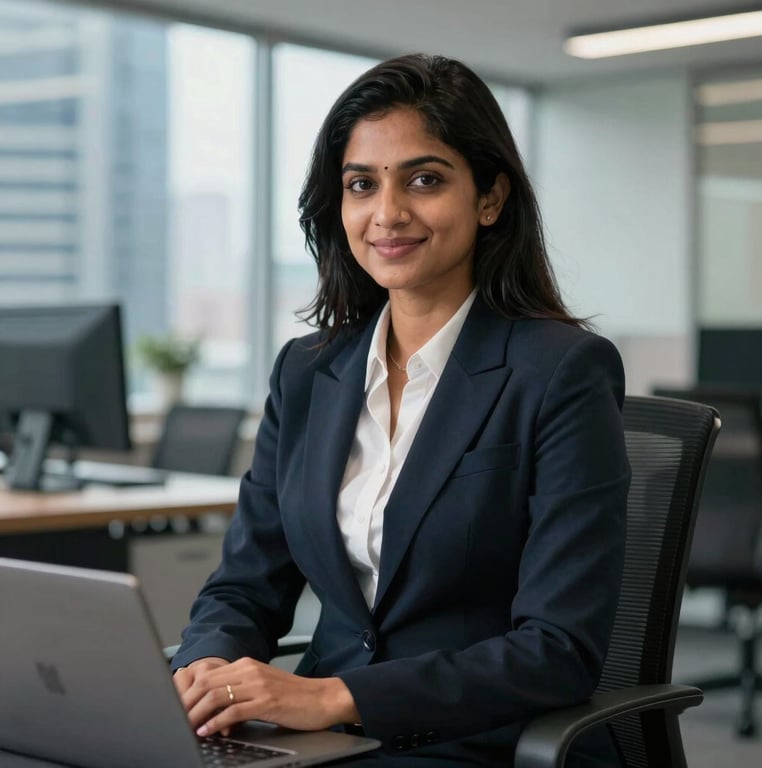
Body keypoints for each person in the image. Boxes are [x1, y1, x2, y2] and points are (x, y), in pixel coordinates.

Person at [171, 53, 630, 767]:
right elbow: (244, 584)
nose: (387, 213)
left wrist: (333, 697)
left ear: (490, 198)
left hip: (480, 742)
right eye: (361, 185)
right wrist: (207, 668)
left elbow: (559, 649)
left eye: (424, 179)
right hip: (321, 742)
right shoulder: (308, 372)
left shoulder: (561, 371)